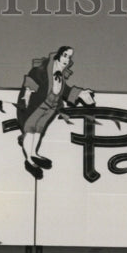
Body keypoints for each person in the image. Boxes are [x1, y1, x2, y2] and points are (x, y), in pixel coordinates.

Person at [16, 45, 96, 179]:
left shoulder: (61, 76)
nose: (67, 59)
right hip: (38, 104)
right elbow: (30, 84)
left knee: (38, 130)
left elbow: (66, 91)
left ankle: (34, 154)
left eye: (69, 57)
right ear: (58, 56)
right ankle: (29, 160)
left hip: (51, 106)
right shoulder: (42, 70)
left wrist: (81, 93)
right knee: (30, 128)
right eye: (65, 55)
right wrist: (26, 97)